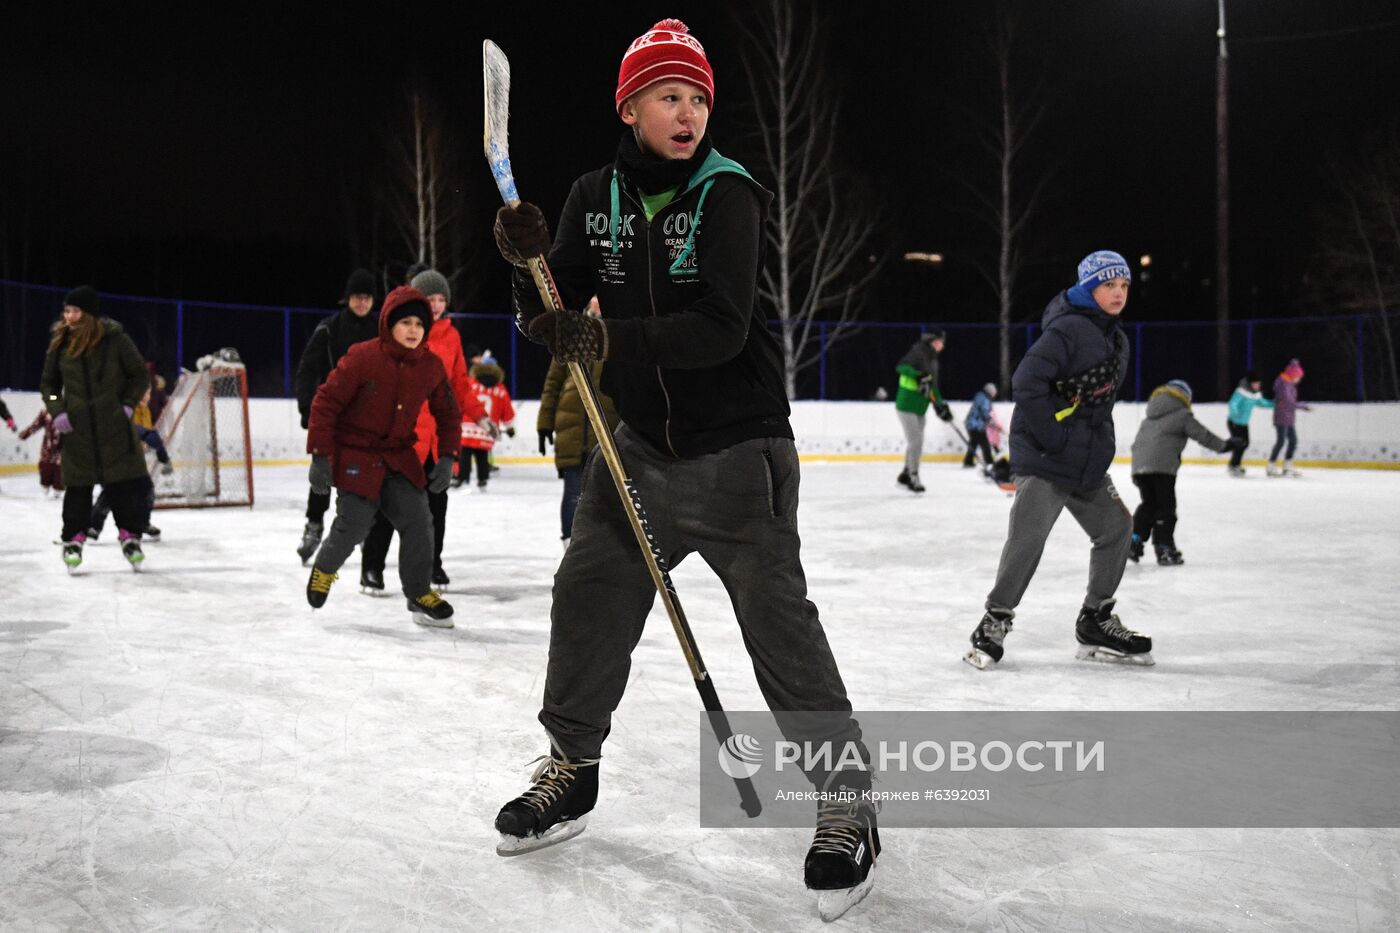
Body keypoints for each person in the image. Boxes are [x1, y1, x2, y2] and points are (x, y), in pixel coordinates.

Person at [490, 18, 877, 914]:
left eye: (699, 97)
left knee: (781, 631)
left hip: (741, 453)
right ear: (631, 106)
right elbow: (550, 317)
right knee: (586, 591)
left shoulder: (726, 193)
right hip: (642, 455)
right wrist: (523, 264)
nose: (689, 111)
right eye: (670, 94)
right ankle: (572, 768)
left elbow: (721, 327)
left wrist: (607, 335)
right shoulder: (595, 192)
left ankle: (847, 803)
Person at [965, 251, 1152, 669]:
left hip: (1084, 462)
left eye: (1123, 286)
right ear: (1089, 288)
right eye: (1108, 286)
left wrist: (1097, 446)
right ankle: (993, 621)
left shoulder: (1116, 338)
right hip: (1047, 458)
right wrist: (1053, 437)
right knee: (1028, 539)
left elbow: (1097, 405)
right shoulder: (1068, 329)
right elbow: (1026, 381)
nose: (1118, 293)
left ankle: (1095, 619)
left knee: (1117, 528)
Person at [303, 285, 461, 627]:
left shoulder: (430, 365)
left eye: (419, 325)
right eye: (405, 323)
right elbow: (325, 403)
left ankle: (418, 592)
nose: (413, 331)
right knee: (354, 525)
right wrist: (319, 455)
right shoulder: (362, 357)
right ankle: (324, 568)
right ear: (389, 324)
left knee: (419, 522)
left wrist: (447, 456)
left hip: (398, 457)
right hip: (356, 455)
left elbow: (449, 413)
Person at [358, 269, 491, 594]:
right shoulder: (400, 332)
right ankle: (372, 567)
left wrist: (480, 415)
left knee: (436, 507)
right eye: (429, 299)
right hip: (401, 438)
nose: (435, 305)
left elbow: (459, 382)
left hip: (436, 441)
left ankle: (433, 564)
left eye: (441, 299)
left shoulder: (451, 335)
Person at [39, 286, 152, 571]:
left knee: (122, 485)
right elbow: (49, 385)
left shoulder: (115, 340)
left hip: (112, 428)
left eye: (75, 311)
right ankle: (73, 540)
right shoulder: (61, 343)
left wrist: (127, 404)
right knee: (78, 489)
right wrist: (57, 409)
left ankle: (130, 536)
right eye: (66, 311)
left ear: (89, 314)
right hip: (77, 431)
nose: (69, 316)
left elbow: (138, 375)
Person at [292, 269, 380, 565]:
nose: (362, 302)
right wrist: (307, 408)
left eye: (367, 297)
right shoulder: (329, 329)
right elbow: (307, 369)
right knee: (323, 473)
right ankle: (313, 526)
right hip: (332, 414)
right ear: (348, 299)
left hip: (368, 419)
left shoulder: (382, 329)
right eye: (357, 297)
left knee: (366, 477)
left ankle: (366, 531)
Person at [1128, 380, 1242, 565]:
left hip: (1139, 467)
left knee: (1149, 504)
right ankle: (1164, 547)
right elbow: (1202, 434)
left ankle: (1132, 541)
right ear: (1184, 397)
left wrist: (1139, 468)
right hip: (1162, 468)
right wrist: (1225, 446)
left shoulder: (1149, 417)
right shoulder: (1182, 415)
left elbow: (1138, 444)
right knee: (1166, 508)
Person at [536, 298, 620, 546]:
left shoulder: (619, 334)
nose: (598, 302)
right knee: (573, 494)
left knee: (606, 497)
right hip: (571, 430)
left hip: (607, 432)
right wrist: (544, 423)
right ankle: (570, 548)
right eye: (594, 297)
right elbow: (553, 383)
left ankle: (601, 549)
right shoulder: (571, 333)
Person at [88, 388, 173, 543]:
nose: (146, 396)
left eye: (148, 393)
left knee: (146, 490)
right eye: (142, 392)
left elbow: (147, 434)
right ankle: (93, 526)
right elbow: (145, 433)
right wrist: (162, 455)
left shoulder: (144, 411)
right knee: (112, 491)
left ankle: (142, 523)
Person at [893, 329, 951, 492]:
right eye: (940, 341)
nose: (942, 345)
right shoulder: (918, 351)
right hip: (906, 405)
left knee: (916, 442)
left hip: (920, 407)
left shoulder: (934, 361)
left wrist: (941, 405)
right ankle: (913, 476)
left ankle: (905, 473)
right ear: (932, 341)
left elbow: (933, 387)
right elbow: (901, 367)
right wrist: (918, 375)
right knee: (915, 442)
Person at [458, 353, 515, 490]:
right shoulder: (500, 389)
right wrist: (509, 427)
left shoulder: (471, 383)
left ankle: (462, 478)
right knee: (482, 455)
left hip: (468, 425)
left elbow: (461, 398)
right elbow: (507, 410)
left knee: (465, 453)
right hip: (487, 427)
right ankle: (483, 480)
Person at [1225, 370, 1273, 476]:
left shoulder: (1255, 394)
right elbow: (1233, 404)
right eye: (1256, 383)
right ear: (1250, 383)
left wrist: (1275, 404)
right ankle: (1233, 465)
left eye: (1259, 384)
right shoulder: (1240, 392)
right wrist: (1235, 413)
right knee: (1241, 443)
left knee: (1245, 443)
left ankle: (1234, 464)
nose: (1258, 385)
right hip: (1234, 422)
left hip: (1243, 423)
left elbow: (1263, 403)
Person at [1267, 358, 1310, 477]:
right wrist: (1302, 406)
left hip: (1289, 417)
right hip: (1281, 417)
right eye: (1298, 376)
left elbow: (1290, 402)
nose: (1299, 379)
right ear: (1293, 375)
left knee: (1293, 441)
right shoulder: (1283, 384)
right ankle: (1271, 465)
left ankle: (1287, 466)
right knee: (1281, 441)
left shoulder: (1289, 384)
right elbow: (1288, 402)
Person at [17, 408, 64, 495]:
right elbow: (35, 425)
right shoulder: (46, 412)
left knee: (60, 471)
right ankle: (46, 487)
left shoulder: (69, 411)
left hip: (63, 449)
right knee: (46, 469)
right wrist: (25, 434)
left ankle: (58, 490)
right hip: (48, 448)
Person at [962, 382, 998, 468]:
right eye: (994, 392)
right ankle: (989, 462)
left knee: (974, 443)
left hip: (972, 424)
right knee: (984, 443)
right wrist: (990, 420)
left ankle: (968, 461)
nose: (995, 394)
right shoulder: (985, 399)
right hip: (976, 425)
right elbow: (984, 411)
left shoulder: (981, 397)